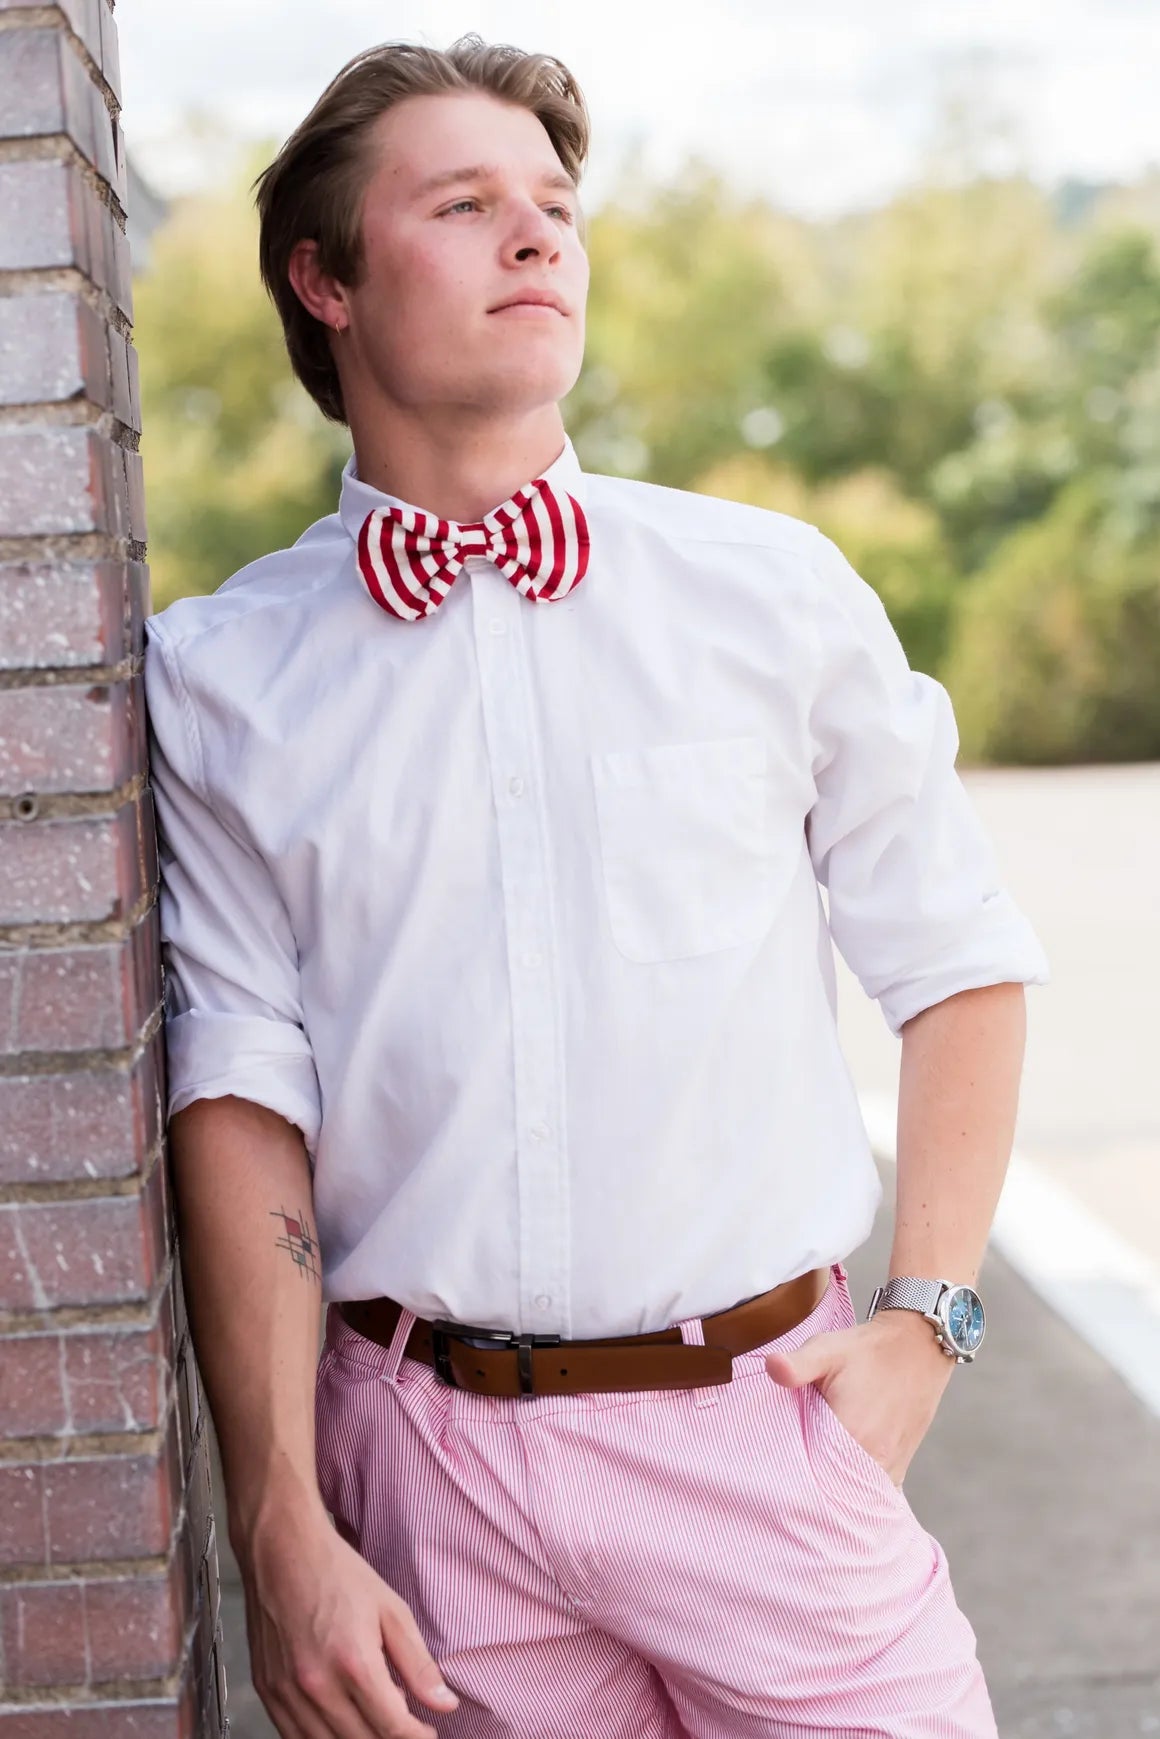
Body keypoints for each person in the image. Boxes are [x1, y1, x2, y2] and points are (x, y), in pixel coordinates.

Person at [142, 33, 1050, 1739]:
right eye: (467, 202)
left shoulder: (769, 594)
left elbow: (960, 964)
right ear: (323, 277)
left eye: (556, 204)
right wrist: (280, 1513)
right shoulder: (219, 674)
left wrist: (924, 1325)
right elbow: (243, 1094)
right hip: (426, 1478)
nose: (539, 236)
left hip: (770, 1437)